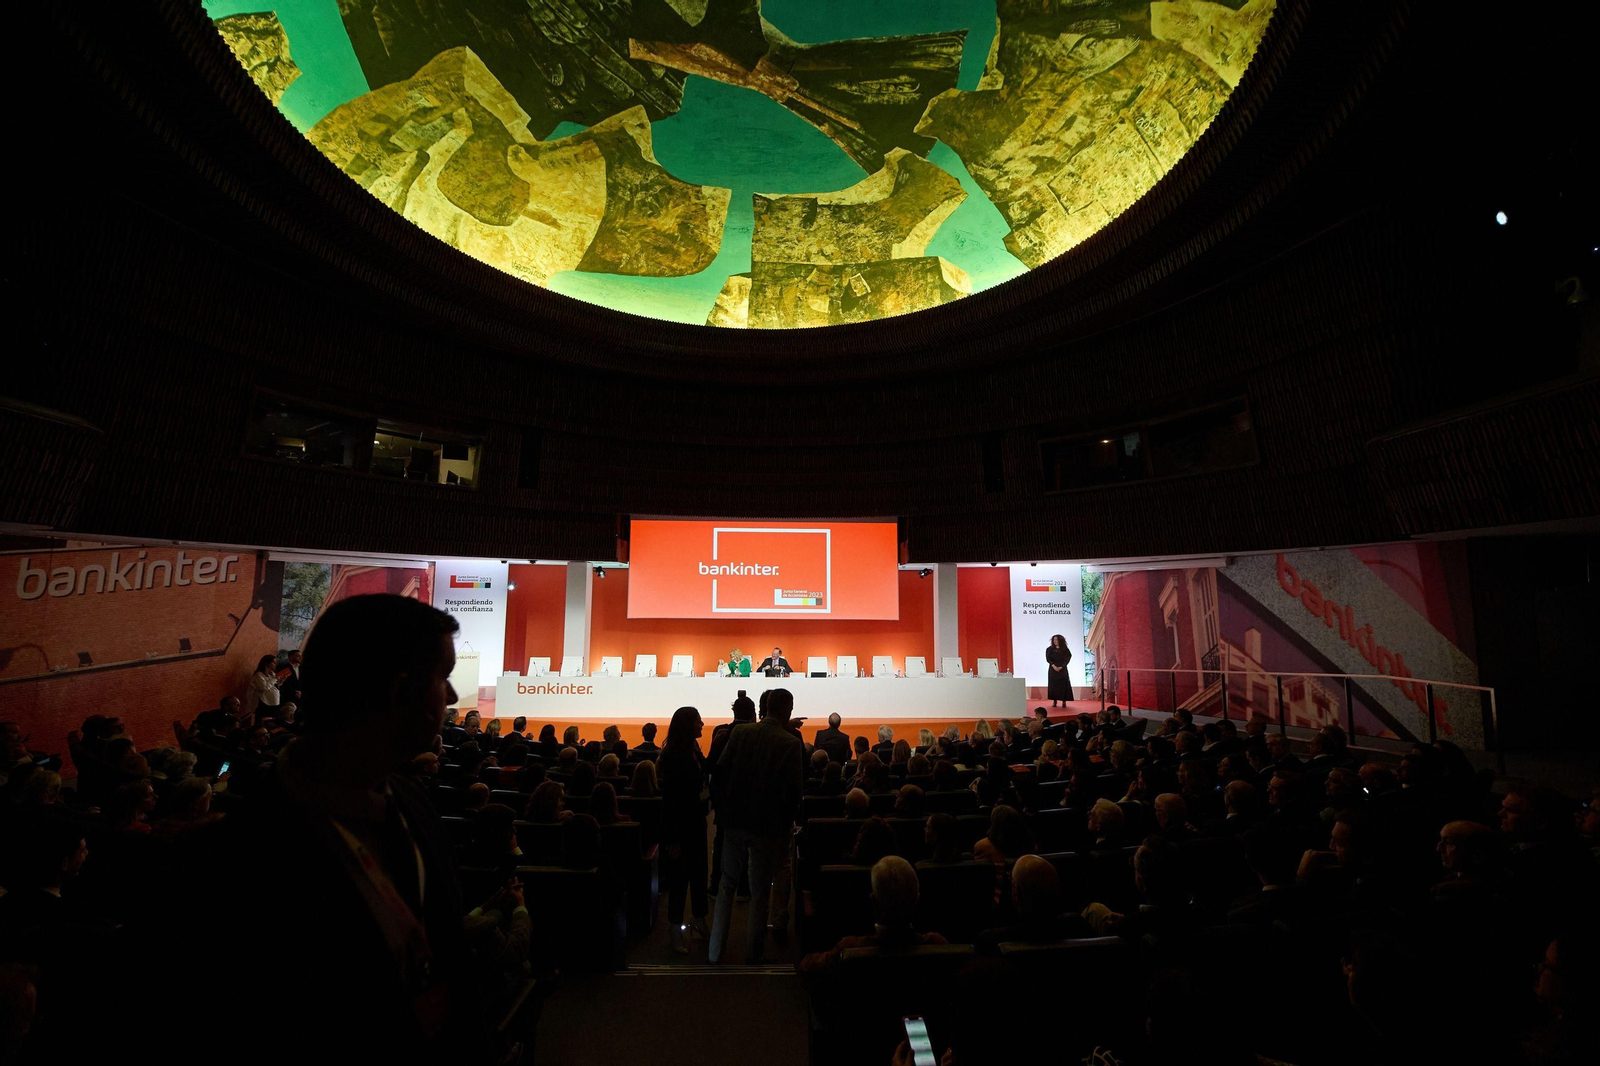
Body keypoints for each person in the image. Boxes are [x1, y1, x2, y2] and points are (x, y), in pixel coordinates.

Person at [148, 593, 482, 1063]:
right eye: (443, 678)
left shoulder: (413, 803)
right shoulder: (223, 868)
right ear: (400, 691)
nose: (450, 697)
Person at [708, 687, 803, 965]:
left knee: (726, 885)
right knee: (760, 891)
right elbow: (794, 791)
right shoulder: (789, 742)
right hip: (768, 827)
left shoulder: (740, 733)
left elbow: (721, 773)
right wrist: (785, 824)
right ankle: (754, 953)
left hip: (734, 821)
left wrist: (724, 812)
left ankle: (715, 952)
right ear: (787, 710)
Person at [797, 857, 946, 975]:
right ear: (917, 900)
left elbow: (807, 968)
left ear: (873, 901)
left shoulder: (849, 949)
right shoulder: (938, 947)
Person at [658, 706, 709, 954]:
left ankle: (698, 919)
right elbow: (671, 802)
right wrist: (673, 839)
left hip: (696, 821)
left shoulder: (692, 750)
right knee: (680, 880)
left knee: (699, 874)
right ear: (689, 725)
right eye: (699, 721)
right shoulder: (674, 756)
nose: (703, 725)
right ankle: (675, 928)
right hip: (681, 826)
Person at [241, 654, 282, 720]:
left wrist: (280, 681)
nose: (275, 664)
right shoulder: (259, 675)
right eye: (273, 662)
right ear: (266, 663)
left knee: (271, 721)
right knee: (263, 720)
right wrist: (275, 679)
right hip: (264, 703)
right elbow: (264, 687)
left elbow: (274, 685)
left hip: (274, 702)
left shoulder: (272, 674)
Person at [1045, 633, 1073, 707]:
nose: (1055, 641)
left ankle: (1064, 701)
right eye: (1054, 640)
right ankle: (1055, 701)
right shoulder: (1049, 649)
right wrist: (1054, 666)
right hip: (1053, 669)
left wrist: (1062, 666)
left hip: (1062, 670)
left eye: (1056, 640)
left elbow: (1067, 658)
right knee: (1054, 685)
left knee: (1063, 685)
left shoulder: (1065, 650)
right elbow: (1048, 658)